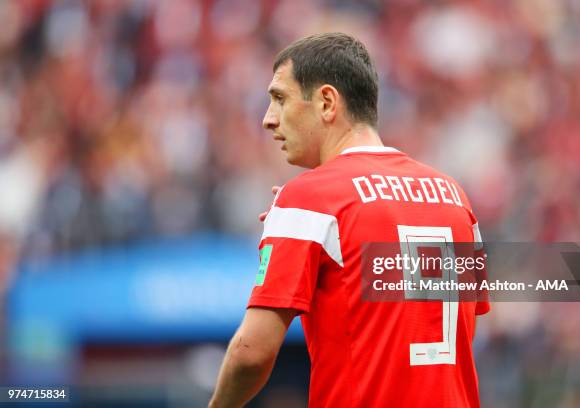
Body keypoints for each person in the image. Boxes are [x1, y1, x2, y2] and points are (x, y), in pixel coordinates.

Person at [209, 32, 489, 408]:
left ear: (327, 102)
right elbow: (451, 329)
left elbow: (251, 352)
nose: (268, 120)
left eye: (279, 99)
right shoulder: (454, 197)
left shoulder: (309, 197)